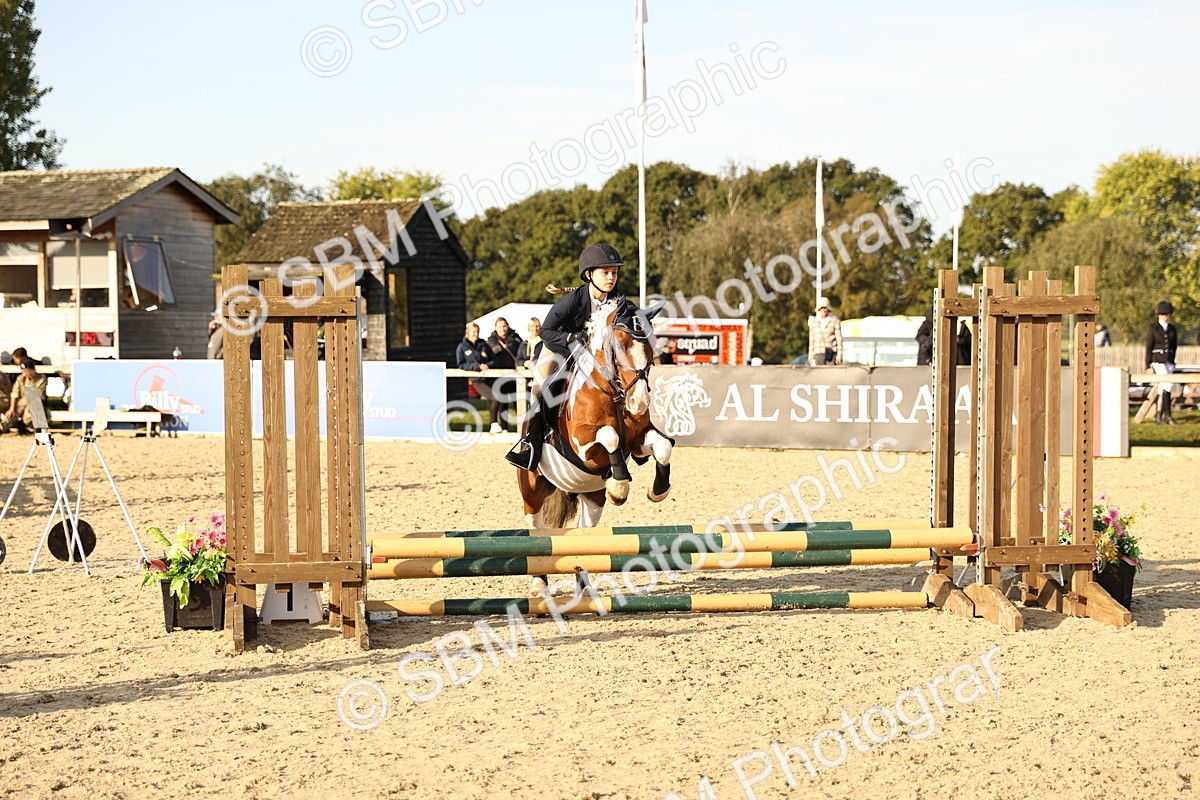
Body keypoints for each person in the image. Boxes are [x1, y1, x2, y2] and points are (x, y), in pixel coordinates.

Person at [506, 242, 638, 470]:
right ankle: (530, 445)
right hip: (560, 349)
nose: (611, 278)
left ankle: (635, 441)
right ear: (589, 274)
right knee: (540, 388)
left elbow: (635, 319)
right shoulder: (573, 301)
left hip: (597, 357)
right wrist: (569, 338)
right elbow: (545, 331)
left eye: (614, 273)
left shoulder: (619, 302)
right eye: (605, 272)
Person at [456, 322, 502, 432]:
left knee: (492, 400)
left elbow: (494, 360)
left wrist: (487, 365)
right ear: (467, 333)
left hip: (489, 377)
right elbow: (461, 364)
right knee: (495, 397)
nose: (476, 334)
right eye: (473, 332)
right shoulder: (461, 347)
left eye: (477, 332)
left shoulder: (483, 344)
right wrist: (476, 366)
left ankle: (494, 426)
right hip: (476, 380)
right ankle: (494, 423)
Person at [1145, 300, 1179, 424]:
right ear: (1159, 315)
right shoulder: (1153, 328)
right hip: (1157, 360)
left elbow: (1174, 346)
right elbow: (1149, 346)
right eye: (1163, 314)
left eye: (1167, 314)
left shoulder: (1172, 329)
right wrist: (1147, 364)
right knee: (1167, 384)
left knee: (1162, 387)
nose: (1165, 316)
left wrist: (1173, 360)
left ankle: (1159, 415)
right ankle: (1167, 415)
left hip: (1169, 360)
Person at [486, 318, 522, 432]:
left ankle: (522, 427)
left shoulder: (515, 337)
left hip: (513, 375)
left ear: (508, 326)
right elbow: (489, 351)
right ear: (496, 328)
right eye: (500, 327)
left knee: (517, 401)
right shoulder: (492, 339)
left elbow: (521, 349)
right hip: (498, 375)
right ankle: (502, 426)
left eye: (504, 326)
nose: (502, 329)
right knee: (501, 402)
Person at [3, 360, 47, 434]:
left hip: (36, 403)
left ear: (33, 370)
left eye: (27, 371)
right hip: (21, 403)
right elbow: (15, 393)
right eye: (24, 371)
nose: (26, 373)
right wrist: (12, 409)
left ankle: (32, 428)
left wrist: (27, 409)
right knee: (9, 417)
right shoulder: (21, 378)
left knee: (29, 416)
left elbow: (36, 396)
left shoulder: (41, 379)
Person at [807, 297, 842, 365]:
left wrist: (839, 355)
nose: (824, 310)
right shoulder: (814, 322)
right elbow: (811, 340)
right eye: (822, 308)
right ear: (819, 309)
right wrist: (810, 355)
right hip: (818, 354)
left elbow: (839, 339)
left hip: (831, 354)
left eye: (825, 307)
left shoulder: (835, 321)